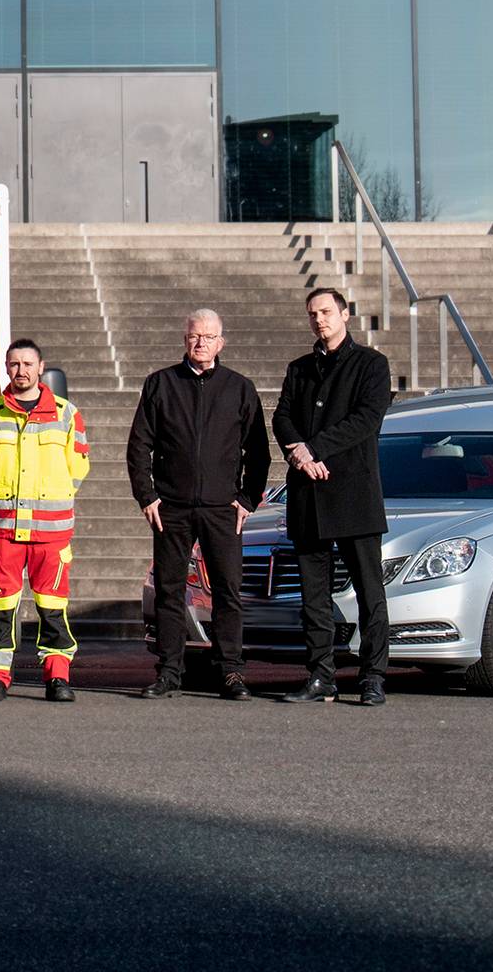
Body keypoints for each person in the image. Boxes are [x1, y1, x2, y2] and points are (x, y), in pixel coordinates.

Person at [126, 309, 270, 701]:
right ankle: (170, 671)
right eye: (194, 336)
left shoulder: (240, 388)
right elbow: (139, 444)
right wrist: (147, 495)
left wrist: (247, 498)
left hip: (222, 508)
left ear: (221, 342)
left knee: (227, 591)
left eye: (208, 337)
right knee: (170, 591)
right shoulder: (161, 384)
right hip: (171, 506)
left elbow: (258, 451)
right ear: (185, 339)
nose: (200, 343)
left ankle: (230, 671)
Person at [273, 287, 395, 706]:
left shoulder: (371, 364)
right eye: (312, 313)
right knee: (314, 596)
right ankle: (321, 675)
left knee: (369, 591)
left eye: (326, 311)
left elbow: (366, 419)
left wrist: (315, 448)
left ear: (344, 314)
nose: (319, 319)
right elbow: (282, 417)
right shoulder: (299, 368)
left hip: (354, 495)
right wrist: (300, 455)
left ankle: (373, 676)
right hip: (308, 495)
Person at [0, 339, 90, 703]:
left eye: (27, 364)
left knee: (53, 609)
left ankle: (58, 677)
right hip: (3, 530)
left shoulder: (67, 414)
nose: (20, 371)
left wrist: (50, 502)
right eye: (13, 364)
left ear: (41, 367)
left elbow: (77, 468)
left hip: (50, 534)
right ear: (6, 368)